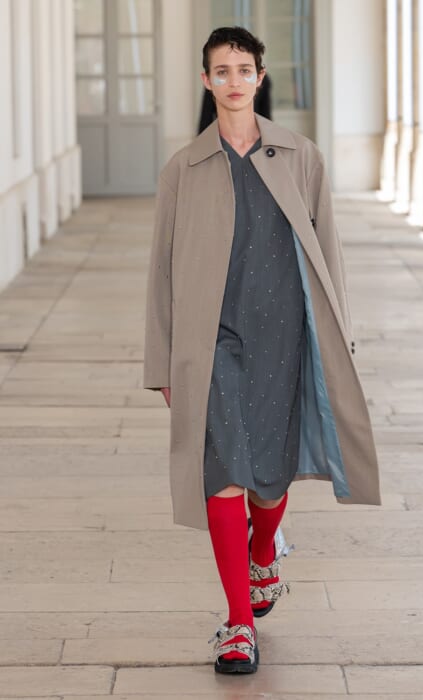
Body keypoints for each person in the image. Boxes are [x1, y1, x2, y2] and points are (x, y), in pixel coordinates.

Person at [144, 26, 381, 675]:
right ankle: (238, 624)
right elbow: (161, 269)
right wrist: (161, 360)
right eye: (220, 71)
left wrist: (340, 336)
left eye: (243, 69)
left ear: (259, 76)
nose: (233, 81)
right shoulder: (183, 168)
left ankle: (263, 552)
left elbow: (328, 253)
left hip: (284, 336)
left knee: (269, 479)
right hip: (211, 340)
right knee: (223, 470)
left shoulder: (301, 157)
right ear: (206, 81)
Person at [197, 72, 272, 133]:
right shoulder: (215, 80)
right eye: (222, 72)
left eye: (245, 70)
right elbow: (206, 117)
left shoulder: (262, 80)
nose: (235, 83)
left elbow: (266, 116)